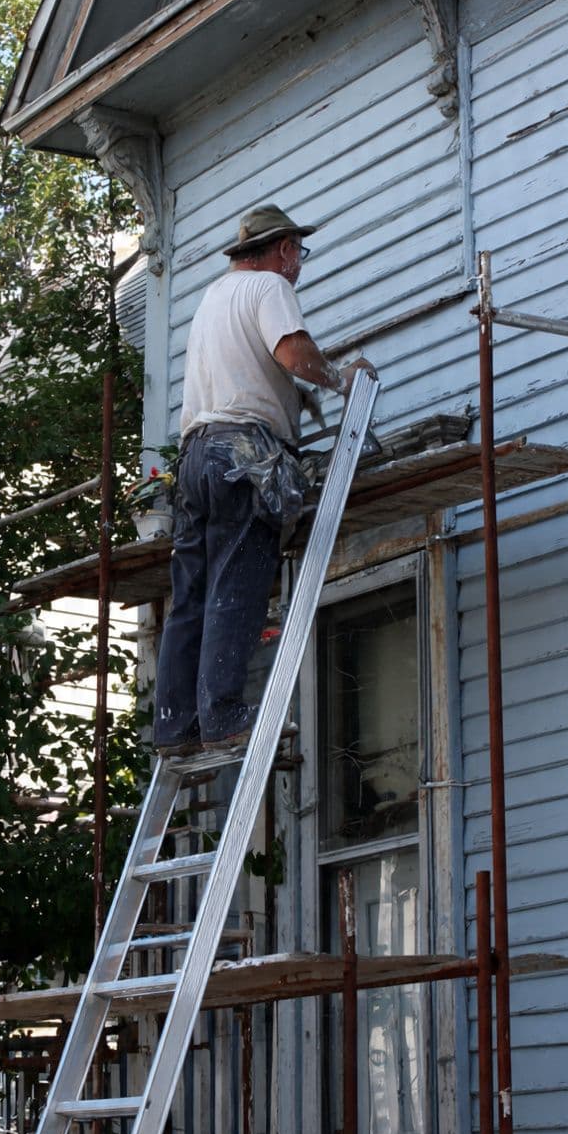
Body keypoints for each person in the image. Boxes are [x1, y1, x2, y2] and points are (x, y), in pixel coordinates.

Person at [153, 203, 376, 756]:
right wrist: (338, 379)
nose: (299, 264)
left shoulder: (214, 297)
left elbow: (245, 369)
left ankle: (175, 726)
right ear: (282, 250)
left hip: (195, 458)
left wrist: (288, 394)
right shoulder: (271, 289)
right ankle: (225, 714)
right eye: (298, 252)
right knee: (239, 581)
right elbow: (292, 352)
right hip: (242, 455)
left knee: (193, 594)